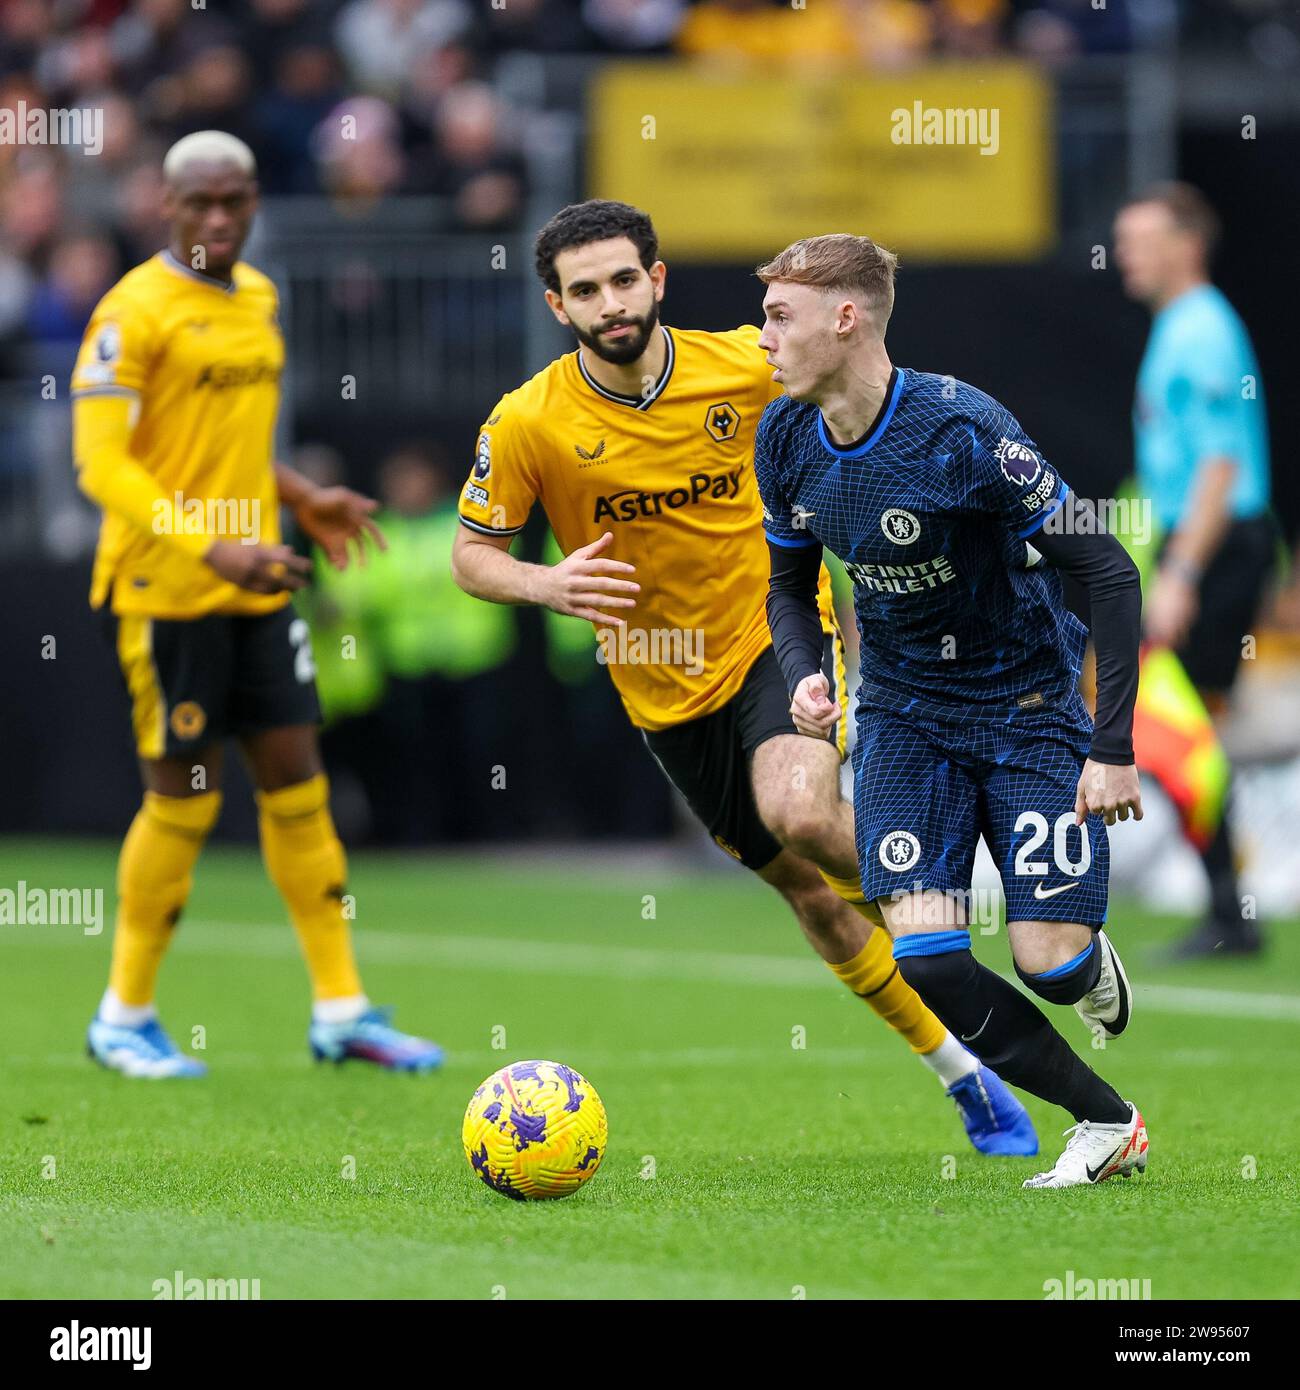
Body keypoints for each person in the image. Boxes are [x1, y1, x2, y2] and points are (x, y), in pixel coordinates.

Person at [451, 199, 1037, 1157]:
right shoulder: (529, 422)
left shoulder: (747, 366)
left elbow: (862, 412)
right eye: (585, 290)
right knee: (809, 894)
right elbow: (472, 555)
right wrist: (544, 581)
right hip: (660, 690)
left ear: (658, 280)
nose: (610, 304)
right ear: (559, 307)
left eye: (624, 280)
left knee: (802, 813)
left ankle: (953, 894)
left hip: (775, 639)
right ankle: (963, 1072)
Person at [755, 233, 1148, 1189]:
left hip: (1025, 708)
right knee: (928, 960)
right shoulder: (783, 437)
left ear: (846, 319)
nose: (762, 336)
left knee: (1046, 964)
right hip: (900, 715)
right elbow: (786, 582)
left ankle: (1082, 963)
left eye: (778, 316)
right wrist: (808, 670)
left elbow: (1108, 568)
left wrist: (1114, 748)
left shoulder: (961, 429)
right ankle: (1106, 1122)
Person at [71, 129, 442, 1077]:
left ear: (255, 201)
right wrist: (210, 544)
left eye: (236, 200)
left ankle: (340, 1008)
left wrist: (297, 495)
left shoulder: (260, 299)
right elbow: (101, 462)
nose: (220, 218)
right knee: (186, 799)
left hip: (257, 579)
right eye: (200, 202)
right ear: (165, 205)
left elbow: (224, 445)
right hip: (170, 590)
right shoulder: (132, 312)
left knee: (297, 780)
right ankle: (123, 1014)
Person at [1114, 182, 1276, 959]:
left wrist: (1178, 572)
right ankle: (1229, 911)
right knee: (1187, 728)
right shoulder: (1184, 326)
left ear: (1188, 244)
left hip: (1217, 547)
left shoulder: (1201, 331)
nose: (1125, 255)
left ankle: (1230, 914)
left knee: (1174, 726)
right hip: (1208, 544)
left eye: (1141, 239)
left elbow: (1219, 464)